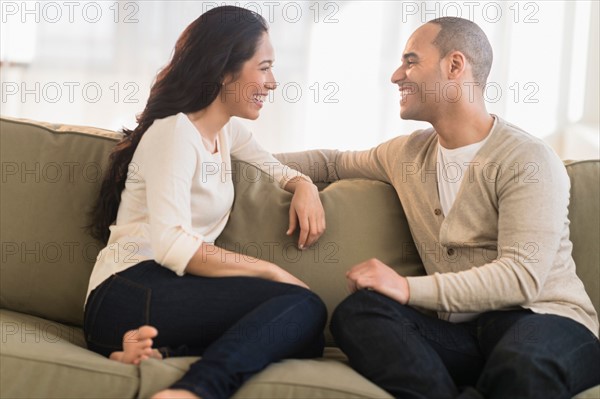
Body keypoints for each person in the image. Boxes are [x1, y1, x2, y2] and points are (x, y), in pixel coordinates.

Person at [275, 17, 600, 398]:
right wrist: (260, 166)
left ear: (455, 65)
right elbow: (329, 163)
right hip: (462, 336)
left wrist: (406, 288)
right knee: (359, 313)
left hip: (545, 322)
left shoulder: (526, 158)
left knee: (522, 366)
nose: (397, 75)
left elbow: (520, 278)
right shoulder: (407, 154)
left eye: (411, 61)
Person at [84, 6, 327, 399]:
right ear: (223, 69)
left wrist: (305, 186)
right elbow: (173, 245)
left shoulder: (225, 132)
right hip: (125, 291)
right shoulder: (174, 131)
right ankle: (195, 391)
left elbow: (279, 169)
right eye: (264, 67)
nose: (273, 82)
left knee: (305, 332)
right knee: (302, 305)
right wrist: (268, 271)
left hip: (163, 302)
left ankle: (156, 352)